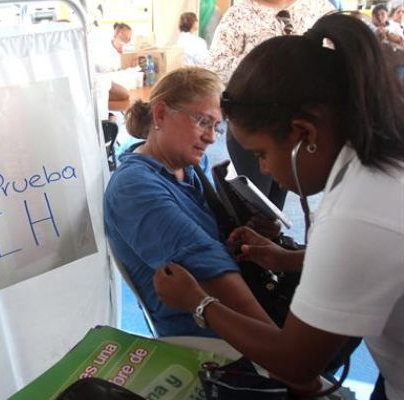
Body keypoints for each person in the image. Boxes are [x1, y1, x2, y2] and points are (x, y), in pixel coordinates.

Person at [154, 13, 404, 399]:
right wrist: (290, 258)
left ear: (305, 133)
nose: (266, 168)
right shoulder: (381, 161)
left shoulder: (355, 215)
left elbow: (296, 362)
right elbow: (382, 255)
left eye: (262, 153)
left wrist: (199, 302)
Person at [104, 67, 275, 337]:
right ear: (160, 115)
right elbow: (209, 265)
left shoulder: (189, 167)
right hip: (209, 341)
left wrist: (246, 240)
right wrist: (279, 346)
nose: (212, 137)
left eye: (216, 127)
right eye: (203, 122)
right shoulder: (134, 188)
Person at [206, 0, 334, 210]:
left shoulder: (318, 9)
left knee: (278, 201)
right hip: (254, 126)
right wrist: (265, 66)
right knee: (256, 204)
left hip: (302, 129)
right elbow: (215, 67)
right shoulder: (238, 14)